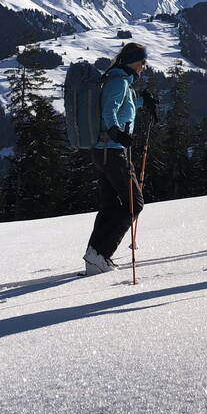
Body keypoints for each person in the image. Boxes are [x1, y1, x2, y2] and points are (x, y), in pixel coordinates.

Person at [82, 42, 159, 275]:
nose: (144, 66)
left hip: (106, 151)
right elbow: (109, 111)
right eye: (142, 62)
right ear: (131, 61)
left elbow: (122, 107)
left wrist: (141, 103)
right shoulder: (118, 82)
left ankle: (95, 256)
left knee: (110, 205)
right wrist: (116, 132)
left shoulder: (119, 81)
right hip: (112, 151)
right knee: (135, 202)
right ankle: (102, 254)